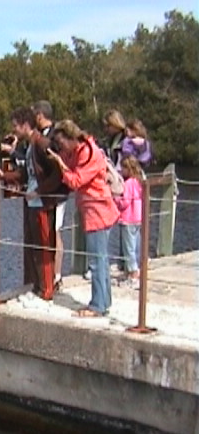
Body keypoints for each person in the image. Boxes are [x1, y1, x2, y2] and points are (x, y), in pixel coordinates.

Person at [0, 107, 68, 309]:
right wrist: (4, 175)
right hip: (32, 203)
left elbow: (58, 173)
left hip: (42, 203)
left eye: (16, 126)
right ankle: (38, 287)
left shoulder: (42, 144)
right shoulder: (30, 145)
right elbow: (26, 174)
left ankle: (47, 291)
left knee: (44, 246)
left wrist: (41, 191)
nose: (14, 130)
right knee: (35, 246)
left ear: (26, 125)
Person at [47, 119, 120, 317]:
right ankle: (104, 301)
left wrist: (60, 164)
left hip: (97, 209)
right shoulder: (78, 151)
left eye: (62, 143)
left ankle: (97, 306)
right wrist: (57, 155)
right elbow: (70, 163)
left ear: (72, 138)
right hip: (93, 208)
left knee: (96, 260)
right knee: (101, 259)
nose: (62, 148)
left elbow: (76, 180)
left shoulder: (90, 153)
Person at [33, 100, 66, 291]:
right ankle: (48, 274)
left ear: (40, 116)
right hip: (45, 193)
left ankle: (56, 275)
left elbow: (58, 166)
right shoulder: (38, 137)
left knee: (56, 232)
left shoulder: (55, 136)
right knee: (48, 232)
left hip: (56, 193)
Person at [114, 155, 143, 288]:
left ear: (128, 169)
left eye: (123, 168)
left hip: (128, 218)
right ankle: (134, 269)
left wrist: (115, 198)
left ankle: (133, 274)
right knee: (135, 246)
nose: (121, 170)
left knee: (128, 248)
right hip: (138, 218)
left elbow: (125, 203)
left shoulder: (129, 183)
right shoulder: (139, 181)